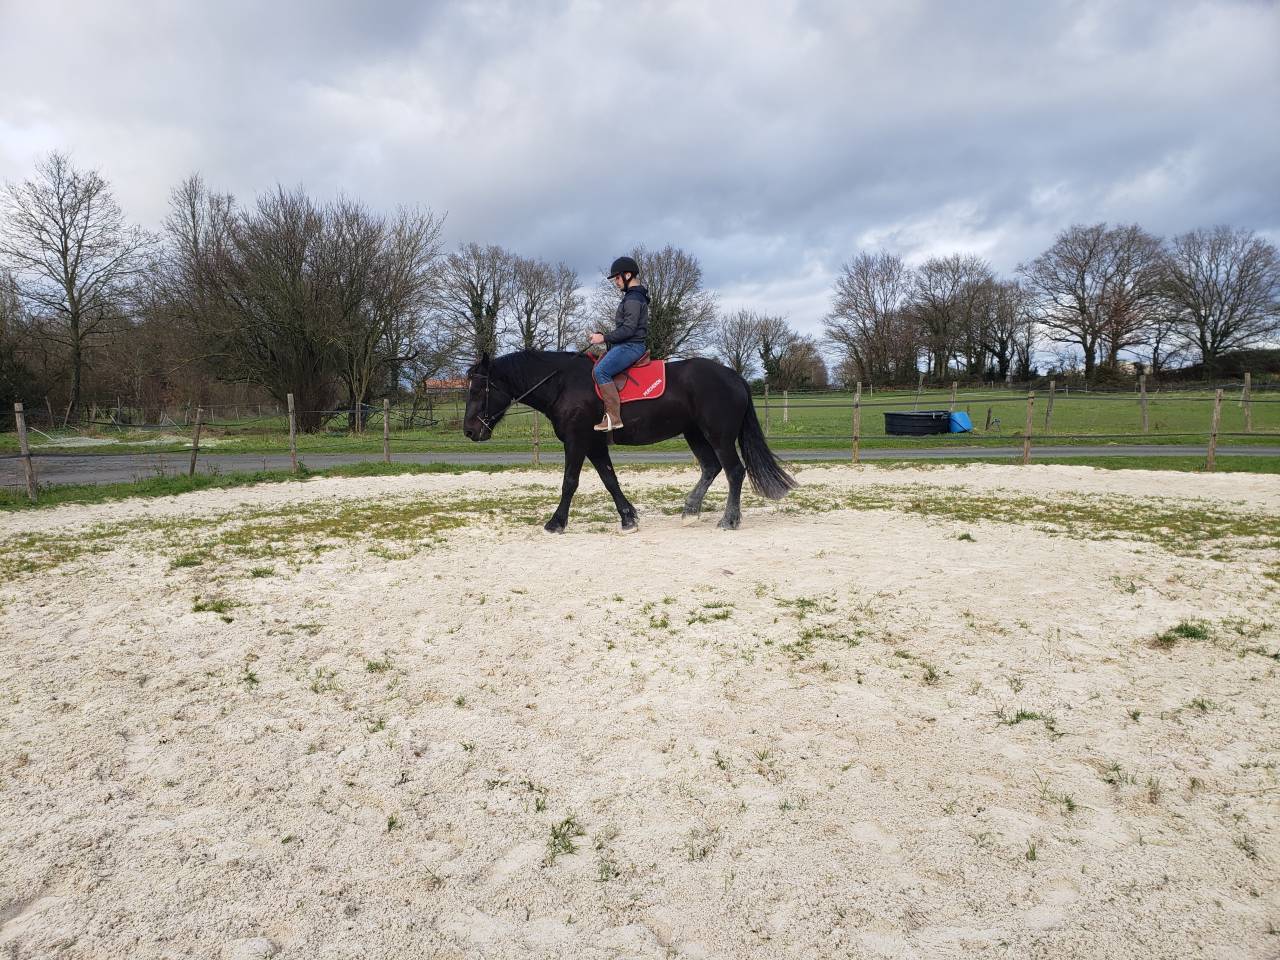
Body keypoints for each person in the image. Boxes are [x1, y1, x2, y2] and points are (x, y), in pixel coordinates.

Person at [589, 255, 650, 431]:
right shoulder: (634, 296)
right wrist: (605, 337)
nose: (616, 282)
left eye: (617, 277)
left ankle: (614, 418)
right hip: (627, 345)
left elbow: (629, 329)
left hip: (631, 346)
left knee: (601, 371)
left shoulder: (633, 298)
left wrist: (604, 338)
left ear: (628, 275)